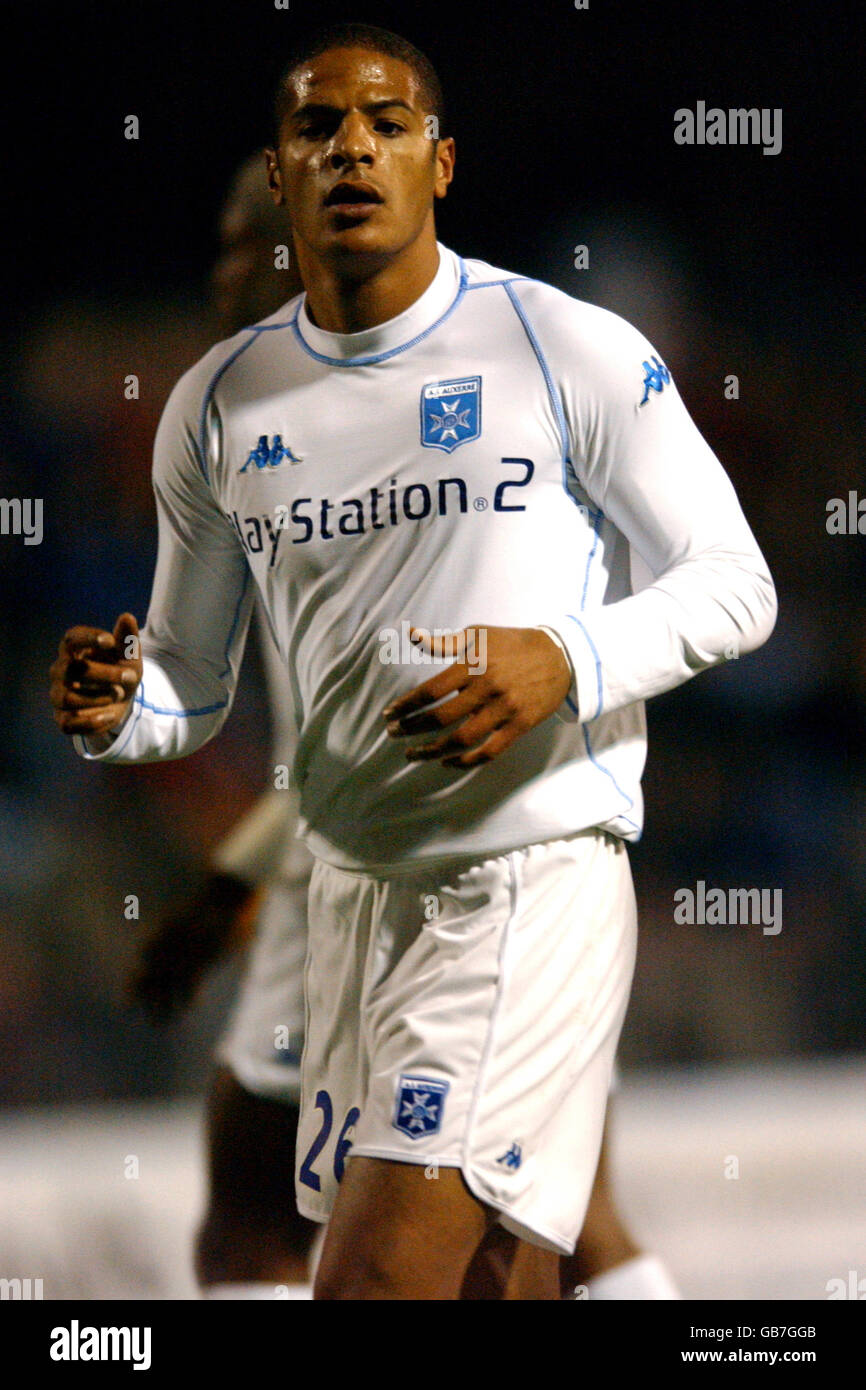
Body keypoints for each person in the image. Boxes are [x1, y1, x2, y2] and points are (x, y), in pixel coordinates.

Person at [50, 24, 776, 1299]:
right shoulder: (221, 405)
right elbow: (187, 677)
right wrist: (121, 710)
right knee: (486, 1285)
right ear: (277, 176)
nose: (352, 149)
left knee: (373, 1285)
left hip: (521, 885)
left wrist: (567, 657)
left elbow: (736, 585)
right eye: (316, 127)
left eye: (387, 124)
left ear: (440, 164)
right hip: (348, 904)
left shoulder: (564, 345)